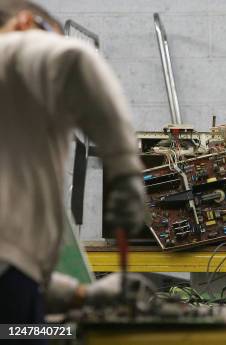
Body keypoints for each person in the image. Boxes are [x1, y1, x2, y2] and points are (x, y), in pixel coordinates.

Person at [0, 0, 147, 327]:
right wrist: (125, 173)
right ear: (27, 23)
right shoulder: (13, 50)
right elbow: (74, 58)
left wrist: (83, 295)